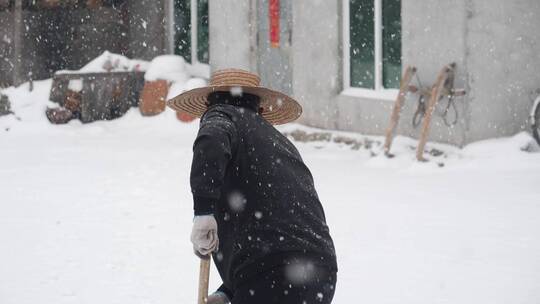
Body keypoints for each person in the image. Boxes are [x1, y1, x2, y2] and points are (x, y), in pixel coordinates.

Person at [168, 69, 337, 304]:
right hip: (319, 272)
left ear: (209, 103)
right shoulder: (279, 143)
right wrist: (228, 291)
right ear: (259, 108)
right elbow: (278, 226)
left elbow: (211, 141)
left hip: (271, 272)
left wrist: (203, 211)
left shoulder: (221, 114)